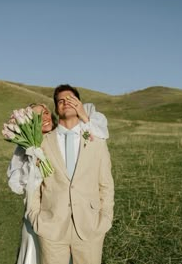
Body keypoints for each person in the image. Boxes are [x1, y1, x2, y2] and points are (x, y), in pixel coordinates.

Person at [7, 100, 110, 264]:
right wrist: (33, 165)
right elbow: (17, 186)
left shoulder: (67, 133)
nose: (44, 118)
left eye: (46, 113)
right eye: (36, 117)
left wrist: (105, 216)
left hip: (76, 221)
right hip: (43, 220)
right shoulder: (26, 148)